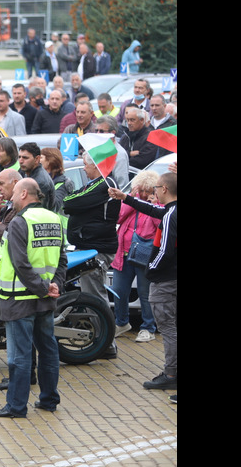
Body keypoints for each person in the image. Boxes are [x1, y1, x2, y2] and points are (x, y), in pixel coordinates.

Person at [0, 178, 66, 418]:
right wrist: (54, 286)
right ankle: (49, 399)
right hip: (45, 298)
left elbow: (20, 263)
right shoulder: (55, 219)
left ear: (23, 194)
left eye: (14, 194)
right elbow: (62, 259)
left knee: (19, 356)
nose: (10, 198)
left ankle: (16, 406)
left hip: (19, 297)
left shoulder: (20, 222)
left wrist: (43, 288)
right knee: (48, 349)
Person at [108, 173, 177, 392]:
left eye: (156, 187)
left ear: (164, 189)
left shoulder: (170, 215)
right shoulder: (170, 210)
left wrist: (151, 269)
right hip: (170, 277)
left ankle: (171, 373)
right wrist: (125, 197)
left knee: (167, 327)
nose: (154, 192)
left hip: (166, 279)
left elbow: (165, 249)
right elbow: (152, 209)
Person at [63, 152, 120, 357]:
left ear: (94, 165)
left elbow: (71, 202)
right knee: (92, 293)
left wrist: (72, 202)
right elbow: (72, 199)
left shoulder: (104, 184)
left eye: (86, 166)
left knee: (95, 296)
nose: (84, 170)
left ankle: (107, 343)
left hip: (97, 248)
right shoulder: (94, 184)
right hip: (90, 245)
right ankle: (103, 339)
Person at [110, 171, 161, 344]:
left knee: (145, 293)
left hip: (144, 256)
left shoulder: (157, 206)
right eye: (142, 191)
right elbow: (118, 216)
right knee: (119, 291)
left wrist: (155, 204)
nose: (145, 195)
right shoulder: (132, 202)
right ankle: (121, 322)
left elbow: (159, 225)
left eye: (148, 191)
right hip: (123, 253)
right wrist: (131, 200)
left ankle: (148, 327)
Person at [17, 143, 56, 212]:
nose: (20, 161)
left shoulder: (41, 182)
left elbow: (38, 211)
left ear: (37, 159)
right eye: (19, 157)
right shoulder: (24, 172)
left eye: (25, 158)